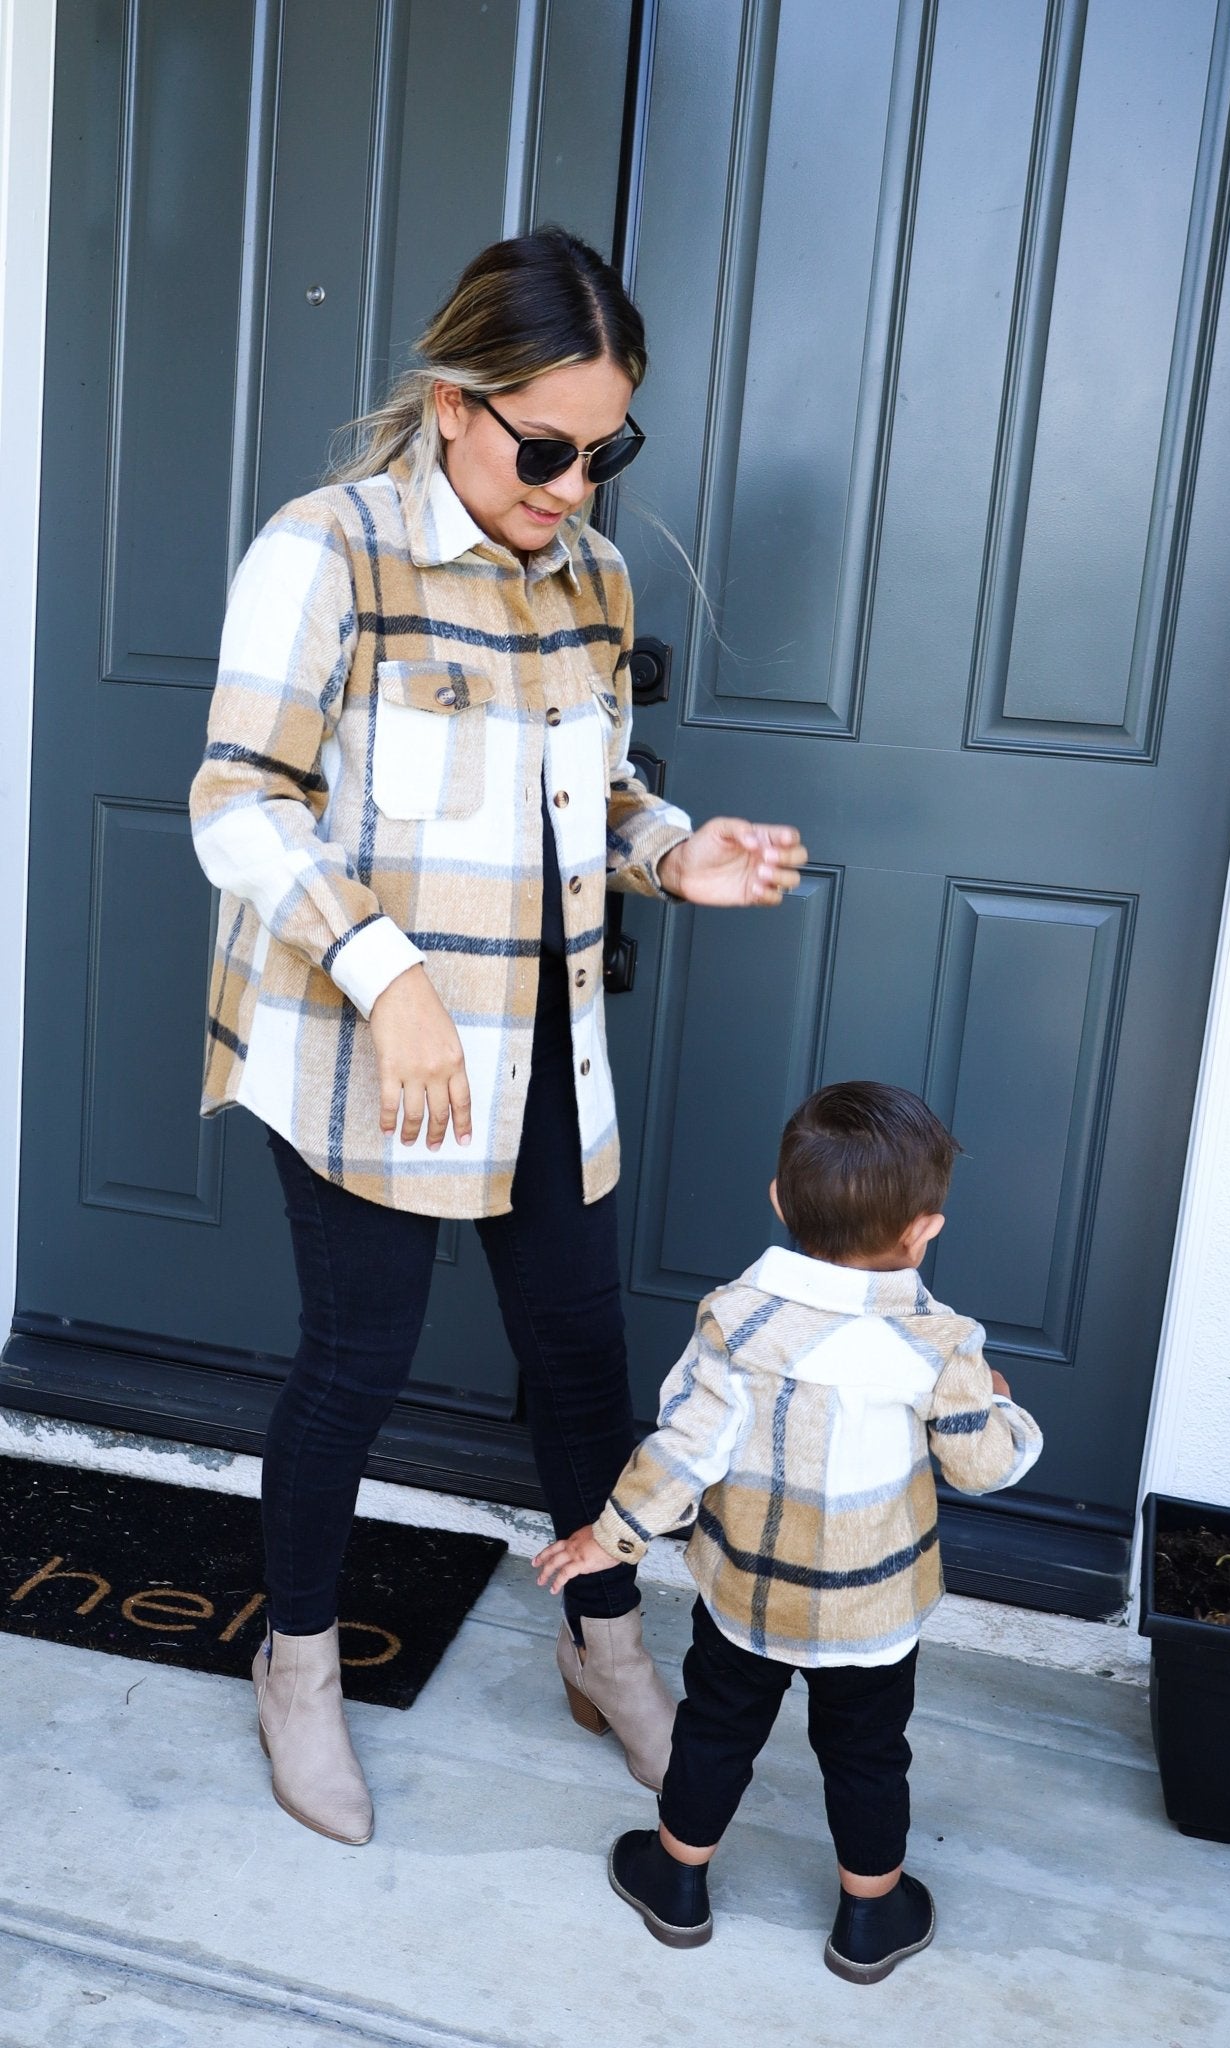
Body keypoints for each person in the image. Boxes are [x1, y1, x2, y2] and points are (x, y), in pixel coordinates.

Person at [188, 227, 807, 1847]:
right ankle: (301, 1665)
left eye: (608, 449)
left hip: (541, 1042)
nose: (575, 482)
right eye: (546, 445)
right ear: (456, 402)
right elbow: (239, 806)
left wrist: (673, 849)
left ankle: (603, 1645)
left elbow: (588, 796)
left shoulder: (588, 577)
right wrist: (387, 974)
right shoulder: (327, 553)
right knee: (354, 1364)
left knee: (580, 1361)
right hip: (368, 1043)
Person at [533, 1080, 1043, 1981]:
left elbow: (684, 1451)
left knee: (715, 1733)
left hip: (748, 1599)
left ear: (778, 1201)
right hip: (874, 1615)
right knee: (870, 1757)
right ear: (925, 1229)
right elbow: (981, 1465)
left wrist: (607, 1537)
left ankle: (677, 1883)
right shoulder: (943, 1345)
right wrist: (1007, 1409)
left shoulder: (739, 1323)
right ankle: (869, 1916)